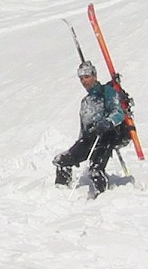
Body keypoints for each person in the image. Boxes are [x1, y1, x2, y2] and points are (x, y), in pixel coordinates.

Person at [53, 60, 127, 196]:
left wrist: (107, 122)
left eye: (87, 77)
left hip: (106, 137)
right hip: (89, 138)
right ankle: (60, 193)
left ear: (94, 76)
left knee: (95, 170)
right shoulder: (86, 101)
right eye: (81, 78)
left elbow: (118, 113)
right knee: (61, 160)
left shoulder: (107, 92)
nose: (84, 81)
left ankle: (102, 198)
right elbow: (83, 127)